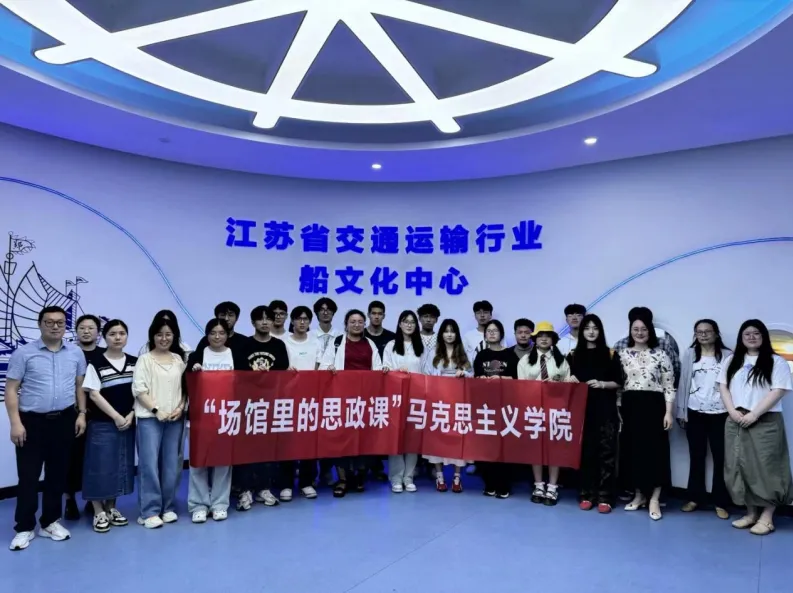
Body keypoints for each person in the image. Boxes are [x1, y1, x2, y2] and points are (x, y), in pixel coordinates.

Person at [6, 306, 87, 551]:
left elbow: (80, 386)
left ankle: (50, 522)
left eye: (60, 322)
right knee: (29, 476)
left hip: (64, 420)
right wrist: (15, 423)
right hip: (31, 422)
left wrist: (82, 414)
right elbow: (11, 390)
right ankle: (24, 527)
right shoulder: (24, 353)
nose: (55, 326)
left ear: (65, 325)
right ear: (40, 324)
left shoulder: (75, 353)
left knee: (57, 475)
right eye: (49, 322)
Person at [719, 319, 793, 536]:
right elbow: (723, 387)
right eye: (747, 334)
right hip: (736, 419)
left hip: (765, 420)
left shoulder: (776, 361)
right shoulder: (732, 360)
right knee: (740, 465)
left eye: (756, 333)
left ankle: (767, 518)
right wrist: (732, 411)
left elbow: (778, 390)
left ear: (763, 337)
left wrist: (754, 414)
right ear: (741, 338)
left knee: (768, 467)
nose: (751, 337)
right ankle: (751, 513)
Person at [616, 309, 675, 521]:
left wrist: (668, 412)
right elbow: (618, 386)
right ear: (630, 331)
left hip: (654, 407)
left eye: (643, 329)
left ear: (650, 331)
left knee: (656, 452)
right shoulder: (621, 354)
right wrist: (618, 410)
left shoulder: (661, 354)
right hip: (630, 406)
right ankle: (639, 495)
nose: (639, 333)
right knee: (633, 452)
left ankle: (654, 499)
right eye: (635, 329)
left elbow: (669, 385)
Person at [81, 319, 136, 533]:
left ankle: (111, 507)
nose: (117, 337)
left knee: (120, 465)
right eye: (112, 334)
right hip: (103, 424)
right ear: (104, 337)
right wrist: (116, 416)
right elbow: (94, 394)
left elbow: (140, 391)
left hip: (128, 422)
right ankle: (98, 511)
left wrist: (131, 414)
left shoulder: (135, 362)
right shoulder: (95, 362)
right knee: (98, 467)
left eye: (122, 333)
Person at [320, 309, 383, 497]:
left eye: (360, 321)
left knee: (362, 439)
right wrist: (329, 368)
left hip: (364, 401)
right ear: (346, 324)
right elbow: (324, 366)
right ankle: (342, 479)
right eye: (352, 321)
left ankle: (359, 477)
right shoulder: (337, 342)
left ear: (364, 324)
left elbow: (378, 369)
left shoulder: (370, 343)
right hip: (341, 399)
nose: (356, 325)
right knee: (341, 439)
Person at [132, 317, 187, 529]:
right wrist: (157, 410)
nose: (164, 338)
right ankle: (150, 511)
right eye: (159, 334)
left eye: (168, 334)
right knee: (149, 465)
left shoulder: (178, 359)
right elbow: (139, 390)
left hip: (175, 419)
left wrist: (180, 408)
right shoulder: (145, 360)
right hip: (150, 420)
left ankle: (168, 507)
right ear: (152, 336)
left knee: (172, 465)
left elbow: (185, 389)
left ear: (174, 336)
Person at [234, 305, 290, 510]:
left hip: (271, 404)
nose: (265, 322)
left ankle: (264, 488)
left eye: (269, 318)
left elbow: (283, 373)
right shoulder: (244, 345)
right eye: (260, 319)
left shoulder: (279, 345)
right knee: (246, 449)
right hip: (248, 405)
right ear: (253, 322)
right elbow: (236, 374)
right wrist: (252, 373)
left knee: (268, 448)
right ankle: (245, 490)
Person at [676, 319, 732, 519]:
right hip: (694, 412)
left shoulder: (728, 355)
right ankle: (694, 498)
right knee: (696, 456)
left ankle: (720, 502)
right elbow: (683, 383)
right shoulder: (690, 354)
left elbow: (733, 384)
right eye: (699, 332)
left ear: (716, 333)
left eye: (708, 331)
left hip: (721, 414)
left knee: (721, 458)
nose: (704, 335)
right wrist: (681, 412)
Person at [567, 315, 621, 513]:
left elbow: (619, 382)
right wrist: (569, 380)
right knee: (585, 453)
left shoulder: (611, 354)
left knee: (607, 453)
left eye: (595, 328)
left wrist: (602, 384)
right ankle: (586, 494)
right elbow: (562, 382)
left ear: (600, 331)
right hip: (581, 411)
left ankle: (605, 496)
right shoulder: (573, 355)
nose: (591, 332)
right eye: (587, 328)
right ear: (581, 331)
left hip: (605, 409)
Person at [185, 319, 236, 523]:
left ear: (227, 334)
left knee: (223, 462)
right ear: (206, 335)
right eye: (213, 332)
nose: (217, 336)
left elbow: (245, 383)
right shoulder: (197, 355)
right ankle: (198, 504)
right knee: (198, 462)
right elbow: (185, 383)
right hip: (200, 417)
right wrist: (193, 371)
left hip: (227, 417)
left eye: (221, 333)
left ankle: (220, 503)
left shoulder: (234, 354)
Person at [517, 322, 572, 506]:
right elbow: (520, 388)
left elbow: (569, 385)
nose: (543, 339)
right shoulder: (525, 361)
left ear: (553, 340)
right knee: (536, 448)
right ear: (534, 339)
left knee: (554, 448)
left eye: (547, 336)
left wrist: (558, 386)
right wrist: (536, 388)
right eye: (540, 335)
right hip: (534, 410)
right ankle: (539, 485)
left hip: (556, 410)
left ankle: (553, 486)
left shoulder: (561, 360)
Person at [422, 319, 472, 493]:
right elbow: (426, 375)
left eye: (452, 331)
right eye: (446, 331)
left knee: (459, 438)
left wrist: (464, 373)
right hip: (439, 401)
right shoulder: (433, 352)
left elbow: (472, 374)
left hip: (459, 401)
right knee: (438, 438)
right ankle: (440, 476)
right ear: (441, 334)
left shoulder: (465, 351)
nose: (449, 334)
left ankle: (457, 477)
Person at [65, 314, 105, 521]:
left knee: (96, 459)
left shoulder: (105, 354)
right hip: (72, 414)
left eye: (91, 328)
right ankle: (69, 499)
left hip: (100, 414)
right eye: (82, 328)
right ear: (76, 330)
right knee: (71, 458)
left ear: (98, 332)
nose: (86, 331)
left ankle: (93, 498)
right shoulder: (68, 353)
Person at [473, 319, 519, 499]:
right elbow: (476, 378)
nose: (492, 333)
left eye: (495, 330)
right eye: (489, 331)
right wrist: (481, 379)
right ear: (485, 335)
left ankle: (504, 485)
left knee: (504, 445)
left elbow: (517, 380)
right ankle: (489, 483)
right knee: (486, 446)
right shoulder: (481, 355)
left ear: (501, 334)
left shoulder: (510, 355)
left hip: (505, 405)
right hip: (485, 406)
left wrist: (502, 379)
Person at [280, 306, 321, 501]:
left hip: (310, 400)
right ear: (292, 321)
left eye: (306, 319)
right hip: (288, 399)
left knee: (308, 442)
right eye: (298, 319)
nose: (302, 322)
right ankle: (286, 484)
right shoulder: (283, 342)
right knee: (287, 442)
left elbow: (319, 367)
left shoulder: (315, 342)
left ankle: (306, 482)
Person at [383, 310, 425, 493]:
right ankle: (396, 477)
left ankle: (409, 477)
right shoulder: (391, 345)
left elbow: (427, 372)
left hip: (416, 397)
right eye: (405, 321)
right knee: (396, 438)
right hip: (396, 397)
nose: (409, 325)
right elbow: (385, 368)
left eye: (412, 322)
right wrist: (396, 371)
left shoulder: (421, 347)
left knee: (412, 439)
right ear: (399, 324)